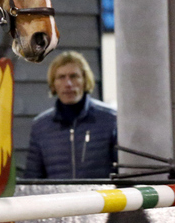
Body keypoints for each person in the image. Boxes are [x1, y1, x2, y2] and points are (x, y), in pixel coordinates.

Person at [23, 51, 117, 179]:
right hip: (57, 199)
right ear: (53, 84)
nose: (68, 84)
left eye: (74, 76)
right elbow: (33, 179)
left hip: (99, 198)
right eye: (61, 77)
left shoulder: (110, 119)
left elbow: (122, 173)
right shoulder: (41, 127)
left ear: (84, 80)